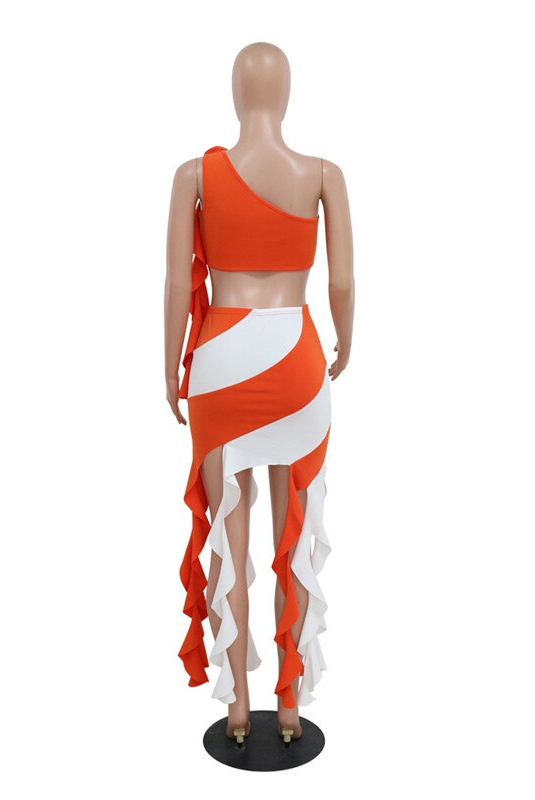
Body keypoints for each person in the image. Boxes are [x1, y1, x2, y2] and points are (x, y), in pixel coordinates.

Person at [164, 42, 355, 746]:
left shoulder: (195, 175)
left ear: (237, 94)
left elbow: (175, 284)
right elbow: (341, 283)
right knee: (293, 535)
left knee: (230, 535)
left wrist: (168, 368)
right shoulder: (322, 174)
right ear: (287, 94)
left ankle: (239, 707)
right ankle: (290, 700)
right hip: (296, 360)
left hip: (220, 361)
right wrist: (347, 342)